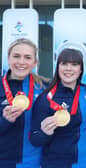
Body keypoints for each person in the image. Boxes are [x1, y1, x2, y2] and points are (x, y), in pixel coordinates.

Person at [30, 48, 86, 168]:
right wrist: (45, 133)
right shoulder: (46, 98)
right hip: (56, 163)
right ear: (58, 67)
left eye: (74, 64)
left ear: (81, 69)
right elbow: (34, 139)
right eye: (64, 64)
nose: (68, 68)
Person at [0, 38, 49, 168]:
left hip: (36, 162)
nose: (21, 62)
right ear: (8, 58)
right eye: (16, 56)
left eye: (27, 57)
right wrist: (4, 120)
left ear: (35, 62)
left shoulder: (45, 88)